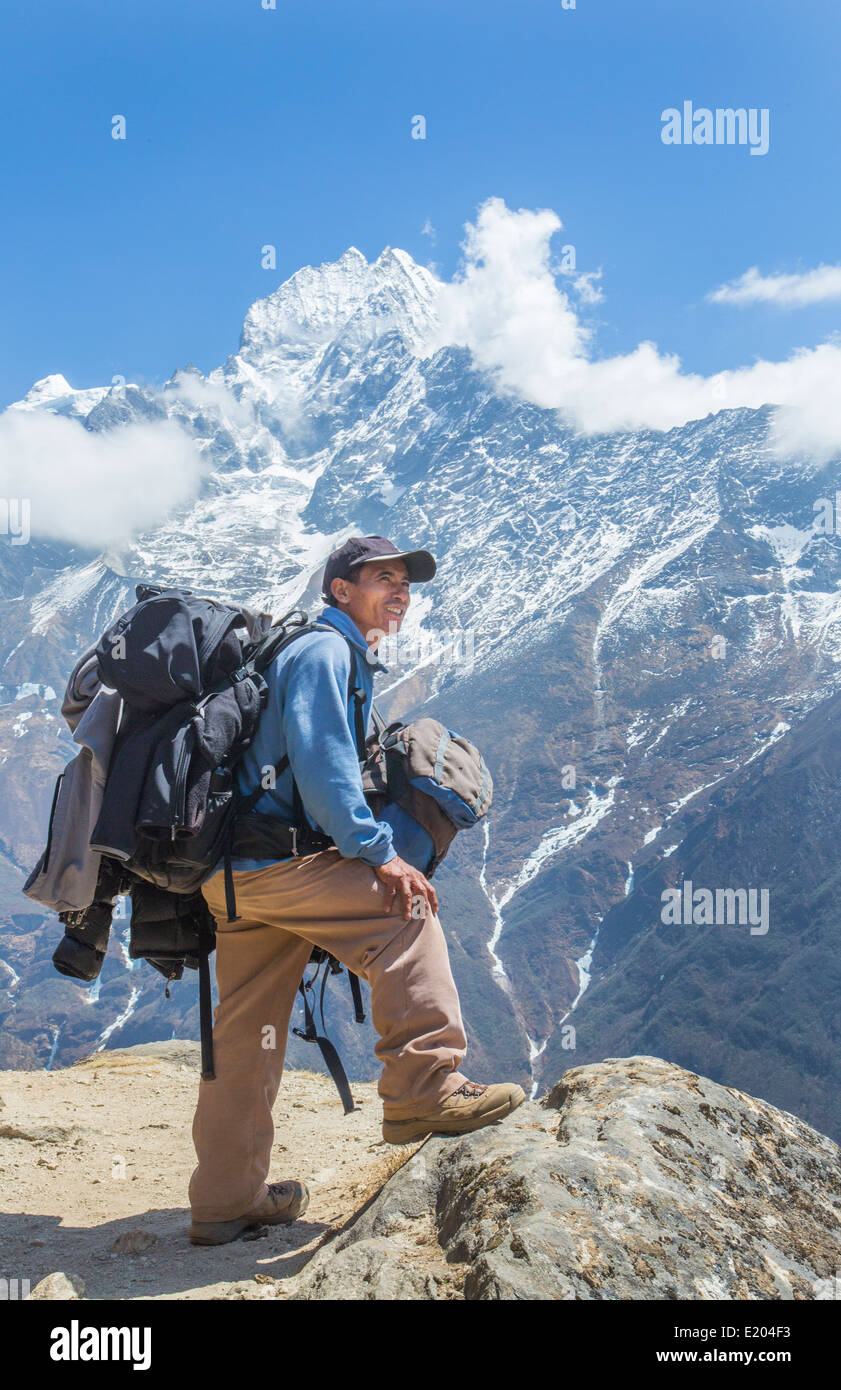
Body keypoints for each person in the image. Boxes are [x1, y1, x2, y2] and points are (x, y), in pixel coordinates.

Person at [188, 535, 525, 1246]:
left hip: (235, 878)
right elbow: (321, 766)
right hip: (281, 865)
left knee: (247, 1033)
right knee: (407, 916)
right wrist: (379, 856)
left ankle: (223, 1201)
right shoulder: (323, 653)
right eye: (381, 579)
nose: (398, 591)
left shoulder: (322, 651)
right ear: (340, 589)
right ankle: (423, 1089)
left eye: (404, 581)